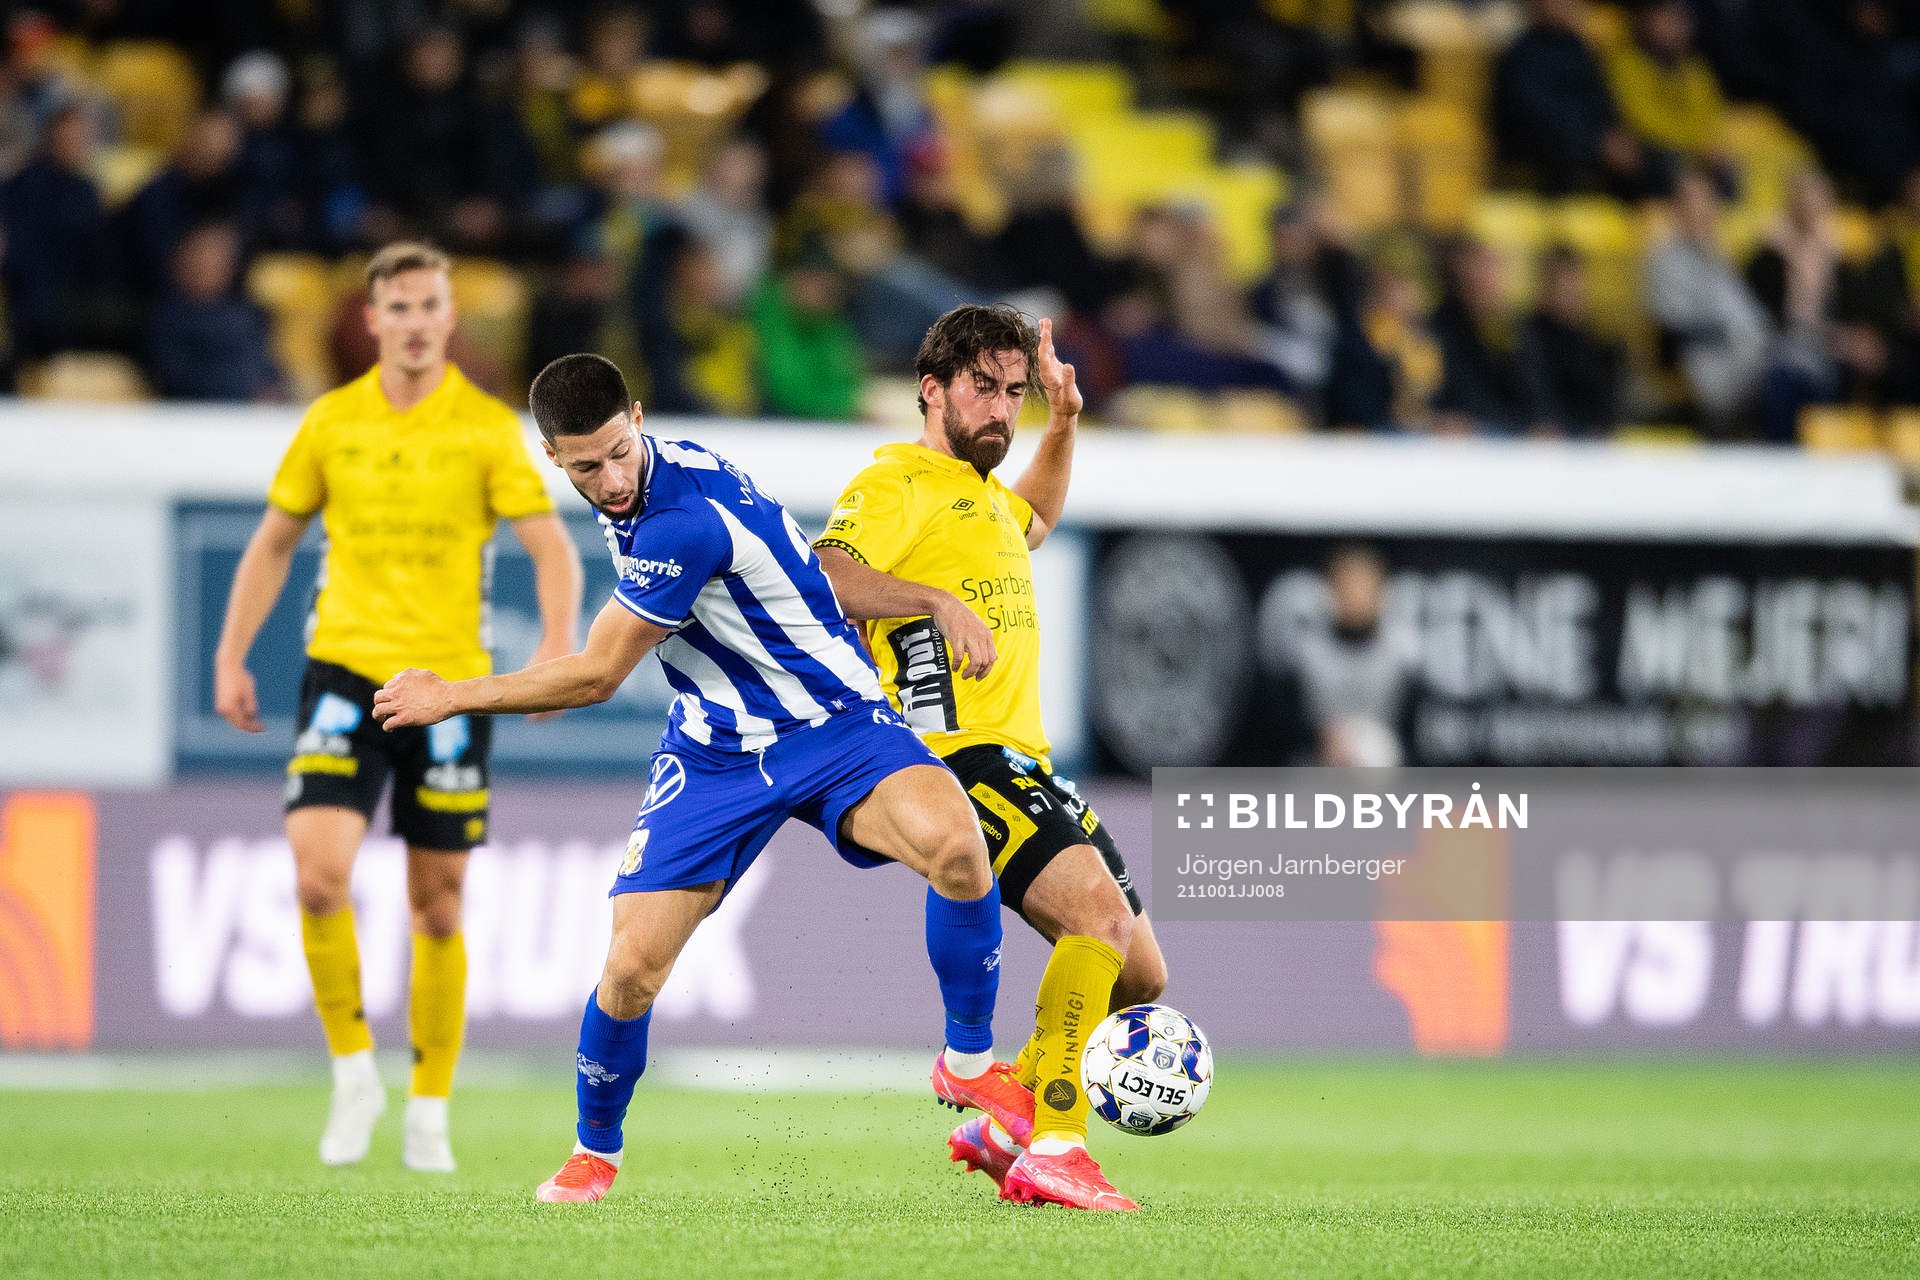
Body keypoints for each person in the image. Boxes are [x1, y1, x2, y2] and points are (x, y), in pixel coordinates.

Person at [370, 352, 1029, 1205]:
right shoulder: (647, 484)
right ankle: (592, 1154)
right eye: (585, 465)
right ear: (551, 456)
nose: (609, 479)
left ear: (637, 419)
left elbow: (599, 675)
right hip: (716, 746)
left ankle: (967, 1063)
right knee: (633, 968)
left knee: (958, 848)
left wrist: (450, 695)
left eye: (617, 452)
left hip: (833, 720)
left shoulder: (681, 519)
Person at [211, 241, 585, 1173]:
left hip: (449, 687)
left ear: (449, 320)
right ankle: (352, 1075)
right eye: (400, 308)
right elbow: (270, 543)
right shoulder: (331, 422)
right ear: (371, 321)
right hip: (344, 673)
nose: (417, 323)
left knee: (441, 907)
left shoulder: (488, 429)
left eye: (430, 307)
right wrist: (230, 653)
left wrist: (553, 649)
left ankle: (428, 1106)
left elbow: (550, 549)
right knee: (318, 877)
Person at [813, 305, 1169, 1212]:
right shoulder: (898, 481)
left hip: (1026, 758)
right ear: (930, 389)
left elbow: (1038, 517)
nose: (1001, 412)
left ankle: (1001, 1125)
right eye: (984, 388)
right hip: (956, 754)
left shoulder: (980, 494)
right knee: (1095, 913)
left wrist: (1067, 418)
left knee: (1138, 975)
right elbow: (827, 573)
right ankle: (1055, 1141)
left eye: (1014, 393)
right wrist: (930, 600)